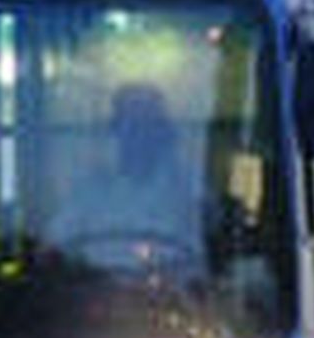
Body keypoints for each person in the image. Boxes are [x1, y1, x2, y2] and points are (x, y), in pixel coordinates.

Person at [45, 82, 203, 272]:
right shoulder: (90, 189)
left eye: (147, 125)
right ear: (117, 130)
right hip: (97, 293)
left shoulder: (188, 185)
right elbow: (55, 243)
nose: (138, 135)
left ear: (161, 132)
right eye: (131, 125)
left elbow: (204, 255)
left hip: (167, 295)